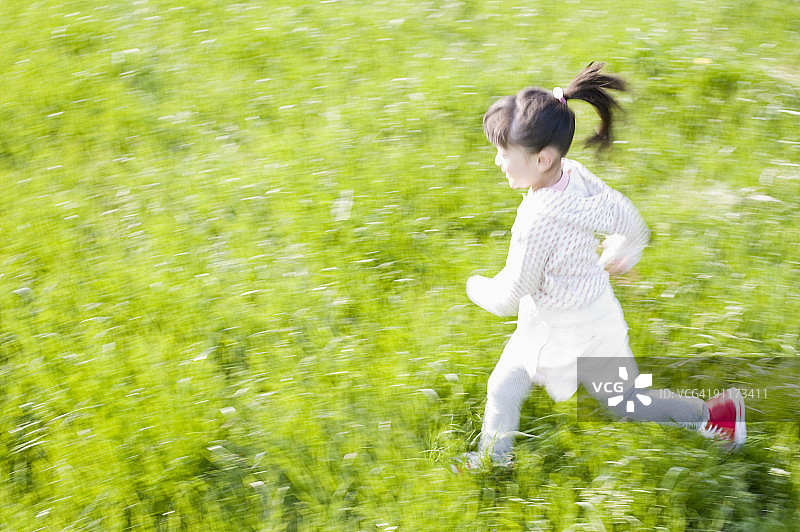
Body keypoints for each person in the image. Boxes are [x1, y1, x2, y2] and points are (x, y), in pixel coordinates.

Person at [459, 62, 745, 470]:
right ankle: (715, 415)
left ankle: (493, 459)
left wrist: (475, 286)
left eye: (504, 153)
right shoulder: (574, 174)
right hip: (595, 316)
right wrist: (619, 253)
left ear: (541, 159)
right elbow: (628, 218)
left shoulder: (536, 222)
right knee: (618, 400)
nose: (497, 161)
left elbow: (510, 296)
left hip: (559, 329)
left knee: (509, 387)